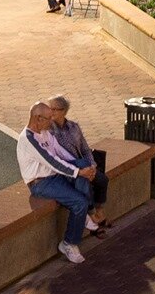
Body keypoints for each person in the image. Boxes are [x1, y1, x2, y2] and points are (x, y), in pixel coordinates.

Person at [17, 102, 94, 264]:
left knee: (82, 163)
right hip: (41, 184)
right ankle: (69, 244)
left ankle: (84, 212)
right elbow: (52, 161)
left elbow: (60, 153)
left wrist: (83, 167)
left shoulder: (45, 133)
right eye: (48, 119)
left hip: (55, 176)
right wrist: (78, 172)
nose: (51, 122)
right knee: (79, 203)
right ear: (37, 118)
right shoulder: (28, 139)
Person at [46, 96, 109, 234]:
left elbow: (85, 149)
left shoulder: (74, 127)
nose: (50, 112)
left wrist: (92, 166)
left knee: (102, 179)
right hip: (69, 169)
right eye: (49, 108)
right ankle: (92, 214)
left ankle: (99, 209)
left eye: (54, 109)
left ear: (64, 111)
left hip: (83, 165)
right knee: (84, 183)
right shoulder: (49, 130)